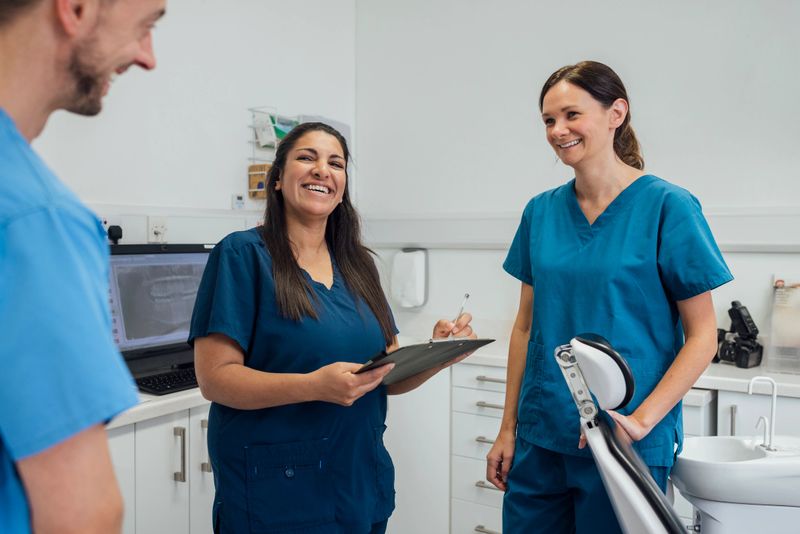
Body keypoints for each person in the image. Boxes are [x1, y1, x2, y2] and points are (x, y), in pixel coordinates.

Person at [190, 121, 476, 534]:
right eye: (307, 157)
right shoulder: (241, 255)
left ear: (342, 186)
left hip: (357, 477)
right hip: (278, 486)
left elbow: (386, 375)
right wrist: (313, 387)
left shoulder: (358, 264)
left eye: (336, 163)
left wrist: (438, 353)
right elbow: (215, 380)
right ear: (276, 180)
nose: (323, 170)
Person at [485, 61, 732, 533]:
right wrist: (508, 428)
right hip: (542, 435)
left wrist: (640, 422)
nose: (558, 131)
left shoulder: (668, 206)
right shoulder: (541, 212)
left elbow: (703, 336)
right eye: (548, 120)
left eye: (571, 115)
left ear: (616, 112)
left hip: (626, 439)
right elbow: (524, 326)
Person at [0, 1, 166, 533]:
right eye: (145, 26)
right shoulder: (35, 219)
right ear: (74, 8)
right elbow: (81, 516)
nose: (148, 57)